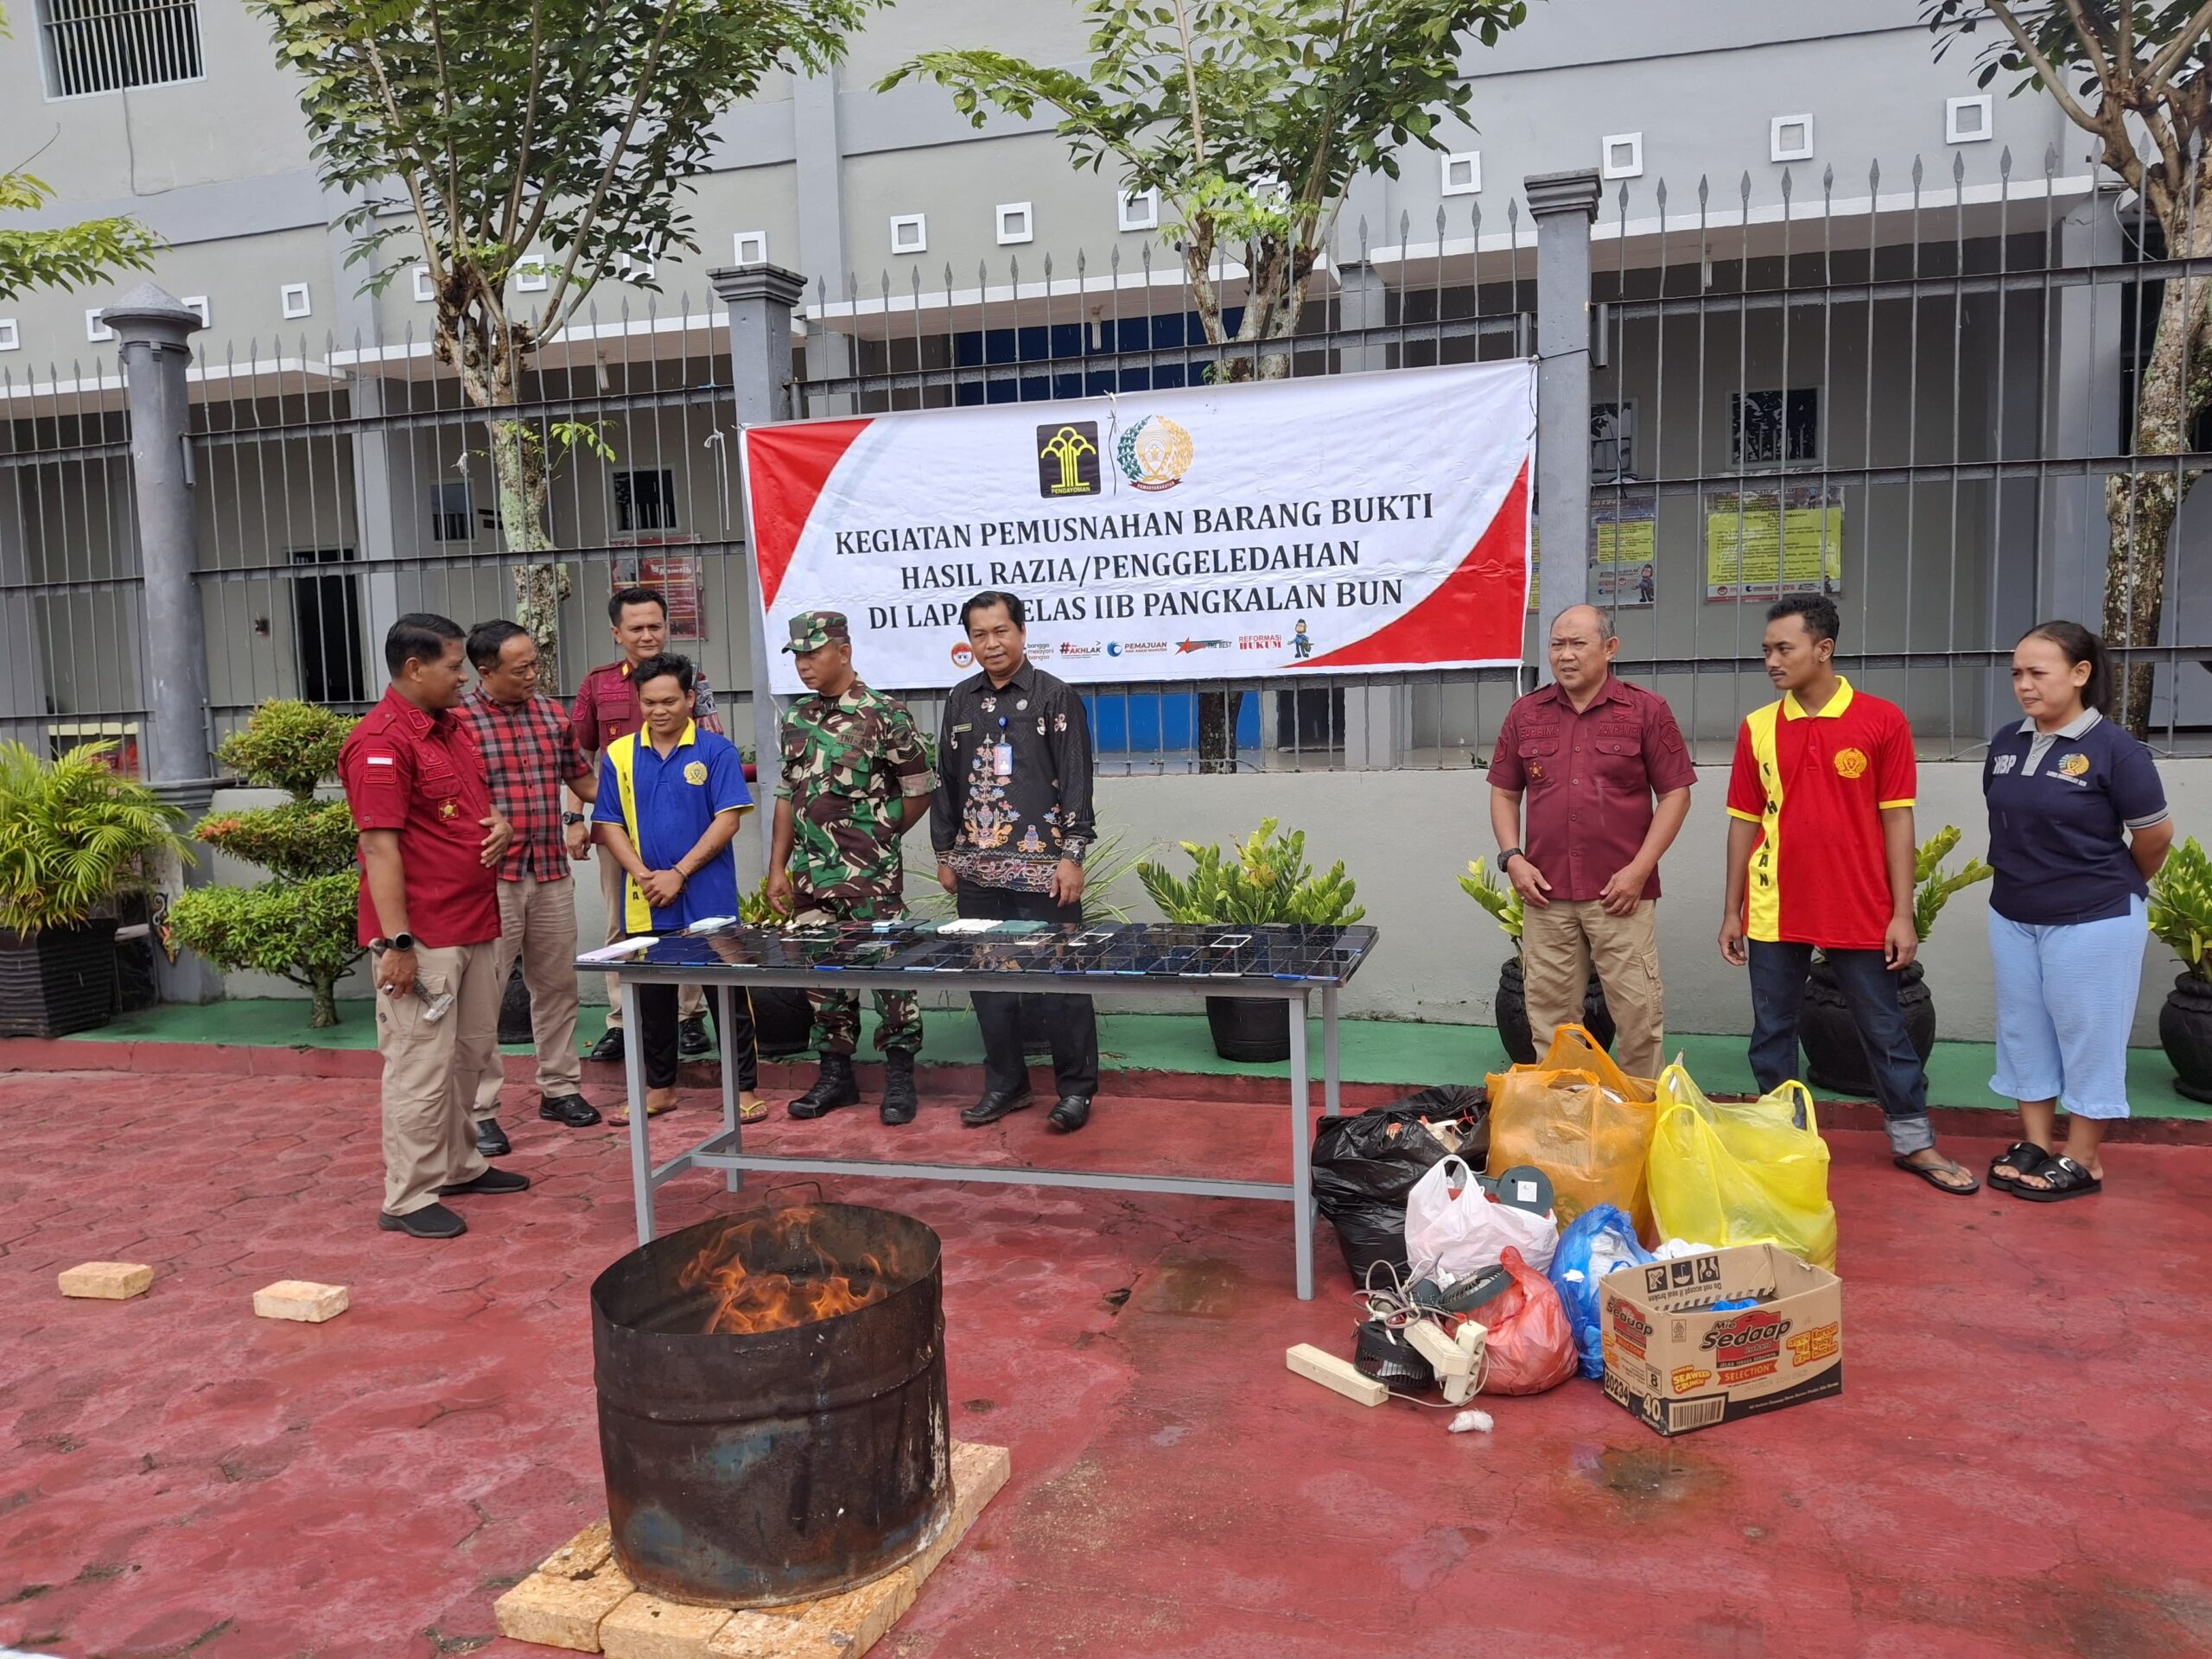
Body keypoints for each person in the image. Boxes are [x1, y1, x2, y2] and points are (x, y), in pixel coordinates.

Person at [1719, 593, 1979, 1195]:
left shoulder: (1881, 720)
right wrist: (1731, 908)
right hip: (1774, 903)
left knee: (1884, 1027)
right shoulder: (1758, 728)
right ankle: (1782, 1139)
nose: (1772, 662)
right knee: (1772, 1030)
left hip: (1860, 905)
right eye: (1767, 651)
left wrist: (1901, 913)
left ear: (1823, 649)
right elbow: (1743, 821)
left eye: (1784, 649)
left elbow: (1898, 820)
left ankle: (1915, 1142)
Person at [338, 613, 524, 1239]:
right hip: (424, 936)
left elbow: (467, 806)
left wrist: (499, 823)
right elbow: (381, 850)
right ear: (414, 668)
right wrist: (398, 944)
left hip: (474, 920)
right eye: (453, 666)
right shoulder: (381, 743)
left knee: (470, 1056)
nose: (465, 678)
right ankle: (409, 1198)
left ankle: (459, 1165)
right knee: (419, 1066)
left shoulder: (451, 730)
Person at [1981, 621, 2172, 1202]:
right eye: (2017, 673)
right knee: (2024, 1030)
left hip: (2094, 917)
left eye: (2038, 673)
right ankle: (2037, 1141)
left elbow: (2155, 836)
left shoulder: (2117, 750)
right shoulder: (2007, 743)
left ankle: (2084, 1158)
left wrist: (2113, 886)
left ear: (2081, 674)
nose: (2024, 685)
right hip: (2014, 913)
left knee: (2089, 1033)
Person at [1490, 603, 1695, 1077]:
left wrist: (1639, 870)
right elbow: (1504, 792)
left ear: (1610, 648)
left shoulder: (1646, 710)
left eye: (1577, 643)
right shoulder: (1526, 713)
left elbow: (1676, 796)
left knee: (1638, 1018)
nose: (1565, 655)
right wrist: (1513, 858)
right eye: (1557, 644)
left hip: (1621, 894)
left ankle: (1641, 1121)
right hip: (1546, 895)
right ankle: (1567, 1122)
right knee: (1552, 1024)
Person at [932, 591, 1099, 1132]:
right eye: (980, 634)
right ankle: (1007, 1085)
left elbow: (1076, 780)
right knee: (989, 980)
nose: (991, 644)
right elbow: (946, 782)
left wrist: (1072, 855)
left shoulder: (1055, 697)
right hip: (977, 871)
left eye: (1001, 631)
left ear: (1022, 633)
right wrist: (945, 851)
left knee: (1063, 979)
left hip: (1045, 869)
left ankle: (1075, 1091)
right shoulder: (959, 701)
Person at [767, 611, 938, 1125]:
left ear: (843, 650)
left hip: (871, 878)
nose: (804, 665)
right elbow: (785, 795)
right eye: (797, 655)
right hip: (808, 878)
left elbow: (920, 789)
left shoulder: (885, 714)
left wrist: (877, 839)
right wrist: (778, 866)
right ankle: (835, 1076)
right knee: (823, 976)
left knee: (889, 974)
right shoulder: (795, 718)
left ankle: (899, 1078)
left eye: (813, 653)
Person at [590, 652, 759, 1122]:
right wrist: (644, 877)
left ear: (689, 699)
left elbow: (728, 821)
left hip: (708, 898)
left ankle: (743, 1090)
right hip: (646, 899)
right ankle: (660, 1088)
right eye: (648, 702)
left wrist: (679, 872)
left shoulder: (715, 751)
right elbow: (607, 822)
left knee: (726, 994)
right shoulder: (620, 754)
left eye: (669, 701)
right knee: (651, 1000)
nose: (658, 711)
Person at [458, 619, 602, 1156]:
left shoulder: (548, 713)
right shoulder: (457, 723)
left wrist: (623, 807)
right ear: (485, 670)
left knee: (557, 985)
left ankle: (560, 1089)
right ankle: (480, 1111)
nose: (533, 675)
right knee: (485, 998)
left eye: (535, 664)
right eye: (521, 669)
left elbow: (580, 779)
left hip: (549, 871)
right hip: (491, 879)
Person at [569, 587, 721, 1064]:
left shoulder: (692, 678)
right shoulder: (597, 685)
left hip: (684, 826)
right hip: (620, 830)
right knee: (622, 925)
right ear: (618, 633)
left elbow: (713, 739)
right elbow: (579, 758)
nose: (648, 635)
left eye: (656, 625)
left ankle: (688, 1016)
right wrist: (575, 817)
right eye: (636, 627)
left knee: (690, 926)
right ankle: (622, 1017)